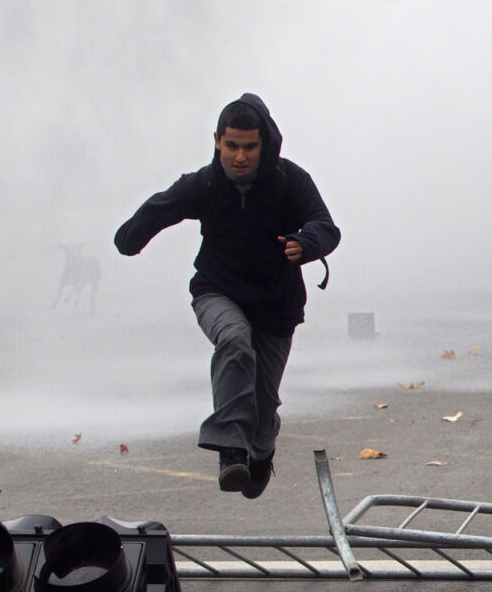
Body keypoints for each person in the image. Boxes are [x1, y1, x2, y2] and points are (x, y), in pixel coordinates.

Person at [115, 94, 340, 498]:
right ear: (218, 140)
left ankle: (259, 452)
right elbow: (161, 207)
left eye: (249, 147)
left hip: (275, 307)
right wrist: (130, 237)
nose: (240, 156)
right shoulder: (204, 183)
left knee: (264, 404)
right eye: (231, 146)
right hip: (217, 292)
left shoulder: (290, 181)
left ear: (264, 144)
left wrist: (306, 244)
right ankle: (230, 451)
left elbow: (325, 225)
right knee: (234, 340)